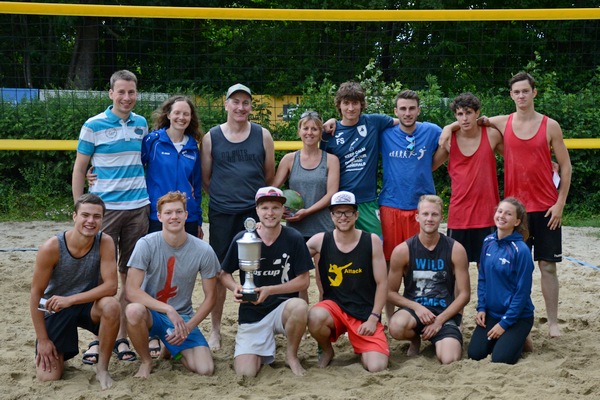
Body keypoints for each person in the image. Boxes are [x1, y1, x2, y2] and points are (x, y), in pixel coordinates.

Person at [481, 72, 572, 337]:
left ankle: (553, 322)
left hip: (546, 208)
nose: (520, 95)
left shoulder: (550, 126)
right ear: (511, 95)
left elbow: (566, 166)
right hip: (515, 213)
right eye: (516, 92)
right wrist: (450, 129)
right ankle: (514, 320)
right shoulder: (501, 122)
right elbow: (472, 121)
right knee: (512, 269)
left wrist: (560, 204)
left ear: (534, 93)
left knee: (547, 266)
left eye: (525, 91)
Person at [72, 69, 149, 364]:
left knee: (130, 276)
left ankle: (123, 339)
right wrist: (81, 208)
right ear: (110, 93)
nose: (127, 97)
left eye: (131, 92)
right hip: (106, 211)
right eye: (121, 92)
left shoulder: (141, 124)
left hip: (138, 208)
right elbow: (80, 169)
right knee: (101, 278)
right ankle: (97, 339)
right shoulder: (93, 125)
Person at [201, 83, 276, 350]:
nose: (240, 107)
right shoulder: (211, 137)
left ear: (251, 107)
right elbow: (206, 179)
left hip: (252, 213)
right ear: (226, 104)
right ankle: (216, 330)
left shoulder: (262, 134)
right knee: (219, 271)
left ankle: (261, 325)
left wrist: (251, 203)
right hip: (222, 213)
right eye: (236, 102)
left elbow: (268, 176)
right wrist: (225, 198)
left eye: (245, 102)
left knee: (258, 270)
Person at [219, 186, 313, 377]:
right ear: (257, 211)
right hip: (252, 313)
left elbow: (304, 281)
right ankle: (262, 346)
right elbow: (224, 274)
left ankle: (291, 356)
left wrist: (271, 290)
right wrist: (235, 287)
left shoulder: (294, 237)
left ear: (282, 211)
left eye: (275, 208)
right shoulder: (244, 238)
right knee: (246, 373)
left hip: (282, 309)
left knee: (299, 306)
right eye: (265, 208)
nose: (270, 213)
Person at [125, 191, 220, 378]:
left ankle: (171, 348)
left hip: (183, 316)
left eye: (179, 212)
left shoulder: (204, 250)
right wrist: (168, 309)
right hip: (151, 313)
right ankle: (146, 361)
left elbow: (211, 297)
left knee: (205, 369)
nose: (174, 217)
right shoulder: (146, 244)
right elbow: (131, 291)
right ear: (159, 216)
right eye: (168, 213)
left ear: (186, 215)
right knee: (133, 311)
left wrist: (189, 326)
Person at [30, 194, 120, 390]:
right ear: (74, 216)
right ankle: (61, 353)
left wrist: (71, 299)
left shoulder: (105, 241)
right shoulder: (51, 247)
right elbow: (36, 294)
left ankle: (102, 368)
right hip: (55, 308)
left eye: (97, 216)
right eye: (85, 215)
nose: (90, 221)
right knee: (49, 377)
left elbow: (112, 286)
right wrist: (43, 341)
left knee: (112, 305)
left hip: (85, 304)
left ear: (103, 219)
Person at [306, 191, 389, 372]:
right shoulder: (319, 241)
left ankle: (362, 347)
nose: (343, 217)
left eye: (348, 212)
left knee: (377, 367)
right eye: (338, 212)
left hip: (364, 313)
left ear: (356, 214)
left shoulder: (371, 241)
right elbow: (292, 254)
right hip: (334, 309)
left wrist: (374, 318)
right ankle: (327, 350)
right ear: (332, 216)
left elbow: (383, 283)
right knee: (314, 316)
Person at [387, 195, 470, 364]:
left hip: (444, 313)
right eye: (425, 214)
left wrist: (439, 321)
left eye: (434, 215)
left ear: (441, 217)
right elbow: (389, 293)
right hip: (415, 312)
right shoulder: (403, 250)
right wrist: (416, 307)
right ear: (417, 217)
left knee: (449, 359)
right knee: (396, 327)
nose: (429, 219)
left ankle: (442, 337)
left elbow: (464, 294)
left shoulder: (455, 249)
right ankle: (415, 339)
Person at [321, 81, 397, 237]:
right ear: (339, 105)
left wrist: (449, 128)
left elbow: (405, 122)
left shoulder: (373, 122)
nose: (350, 108)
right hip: (340, 202)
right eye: (346, 103)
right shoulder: (328, 133)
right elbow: (320, 167)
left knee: (375, 246)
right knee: (340, 250)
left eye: (355, 103)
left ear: (361, 104)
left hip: (367, 201)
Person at [379, 90, 446, 262]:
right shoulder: (385, 133)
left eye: (411, 108)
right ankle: (390, 291)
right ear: (395, 111)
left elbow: (452, 141)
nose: (407, 113)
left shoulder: (431, 131)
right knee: (390, 259)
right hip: (391, 204)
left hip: (422, 207)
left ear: (418, 110)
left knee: (420, 260)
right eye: (403, 109)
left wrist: (430, 166)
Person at [438, 92, 503, 266]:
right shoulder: (449, 140)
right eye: (460, 114)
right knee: (457, 270)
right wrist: (448, 128)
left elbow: (516, 157)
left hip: (487, 214)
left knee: (488, 268)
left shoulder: (491, 135)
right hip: (459, 215)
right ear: (455, 116)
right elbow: (427, 167)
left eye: (468, 112)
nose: (464, 118)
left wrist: (548, 162)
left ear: (477, 113)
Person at [468, 198, 535, 364]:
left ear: (517, 221)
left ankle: (519, 337)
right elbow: (482, 278)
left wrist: (504, 324)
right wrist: (481, 308)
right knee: (475, 354)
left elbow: (522, 292)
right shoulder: (488, 242)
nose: (502, 215)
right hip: (492, 313)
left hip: (518, 316)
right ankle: (509, 339)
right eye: (500, 211)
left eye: (508, 213)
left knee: (501, 358)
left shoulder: (522, 251)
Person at [272, 110, 339, 240]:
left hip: (323, 228)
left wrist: (307, 212)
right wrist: (282, 203)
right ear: (299, 131)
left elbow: (331, 195)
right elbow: (272, 190)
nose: (309, 133)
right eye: (305, 128)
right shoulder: (289, 159)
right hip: (295, 230)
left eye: (314, 129)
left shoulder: (331, 160)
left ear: (320, 133)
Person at [143, 95, 204, 238]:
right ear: (169, 114)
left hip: (186, 216)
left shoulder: (193, 147)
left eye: (186, 114)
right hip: (158, 215)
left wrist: (198, 219)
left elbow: (197, 186)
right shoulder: (153, 141)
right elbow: (133, 168)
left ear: (191, 118)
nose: (181, 117)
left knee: (187, 259)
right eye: (177, 112)